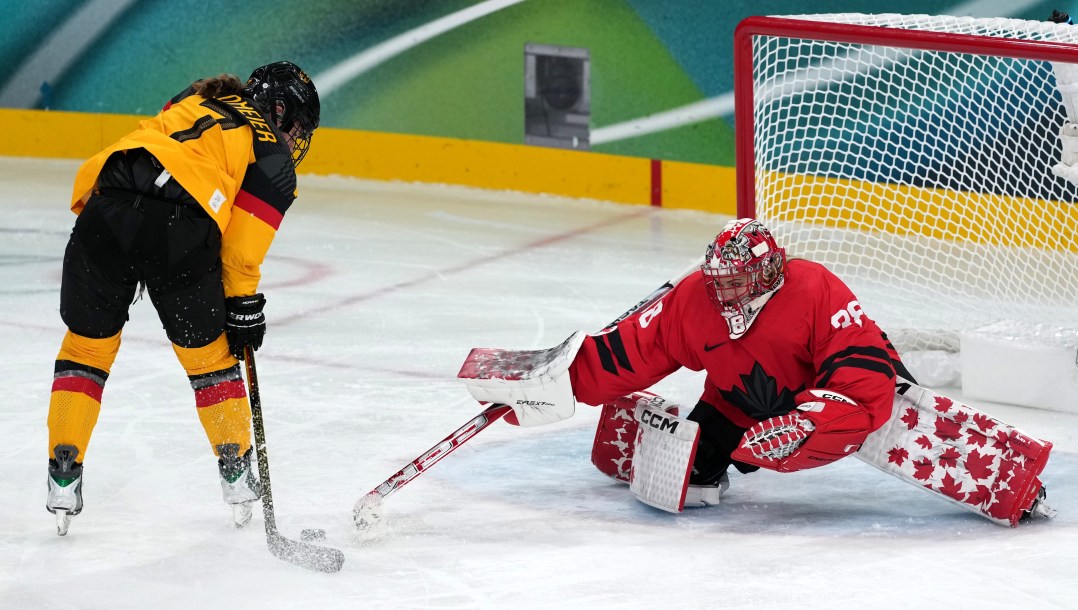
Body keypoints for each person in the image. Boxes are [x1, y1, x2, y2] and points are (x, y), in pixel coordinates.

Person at [45, 61, 320, 534]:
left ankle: (62, 479)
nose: (294, 137)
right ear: (277, 109)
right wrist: (243, 308)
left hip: (104, 208)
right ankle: (235, 472)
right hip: (178, 229)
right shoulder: (272, 154)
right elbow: (239, 256)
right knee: (210, 360)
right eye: (294, 123)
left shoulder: (194, 96)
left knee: (85, 350)